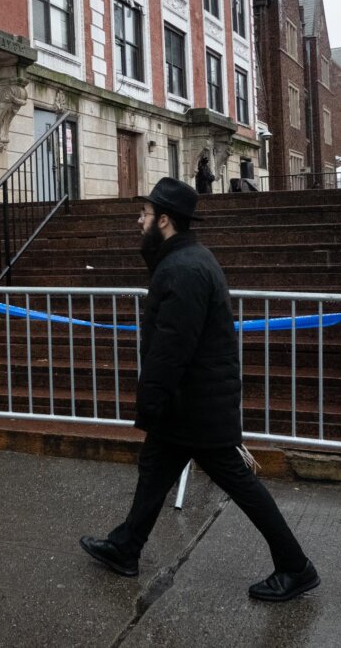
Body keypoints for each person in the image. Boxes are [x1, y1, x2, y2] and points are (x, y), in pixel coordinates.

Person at [79, 177, 318, 602]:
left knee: (241, 484)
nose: (139, 221)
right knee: (154, 472)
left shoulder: (184, 269)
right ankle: (125, 547)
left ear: (165, 221)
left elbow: (171, 348)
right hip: (188, 404)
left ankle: (295, 566)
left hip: (196, 405)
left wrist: (150, 402)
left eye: (145, 214)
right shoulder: (184, 261)